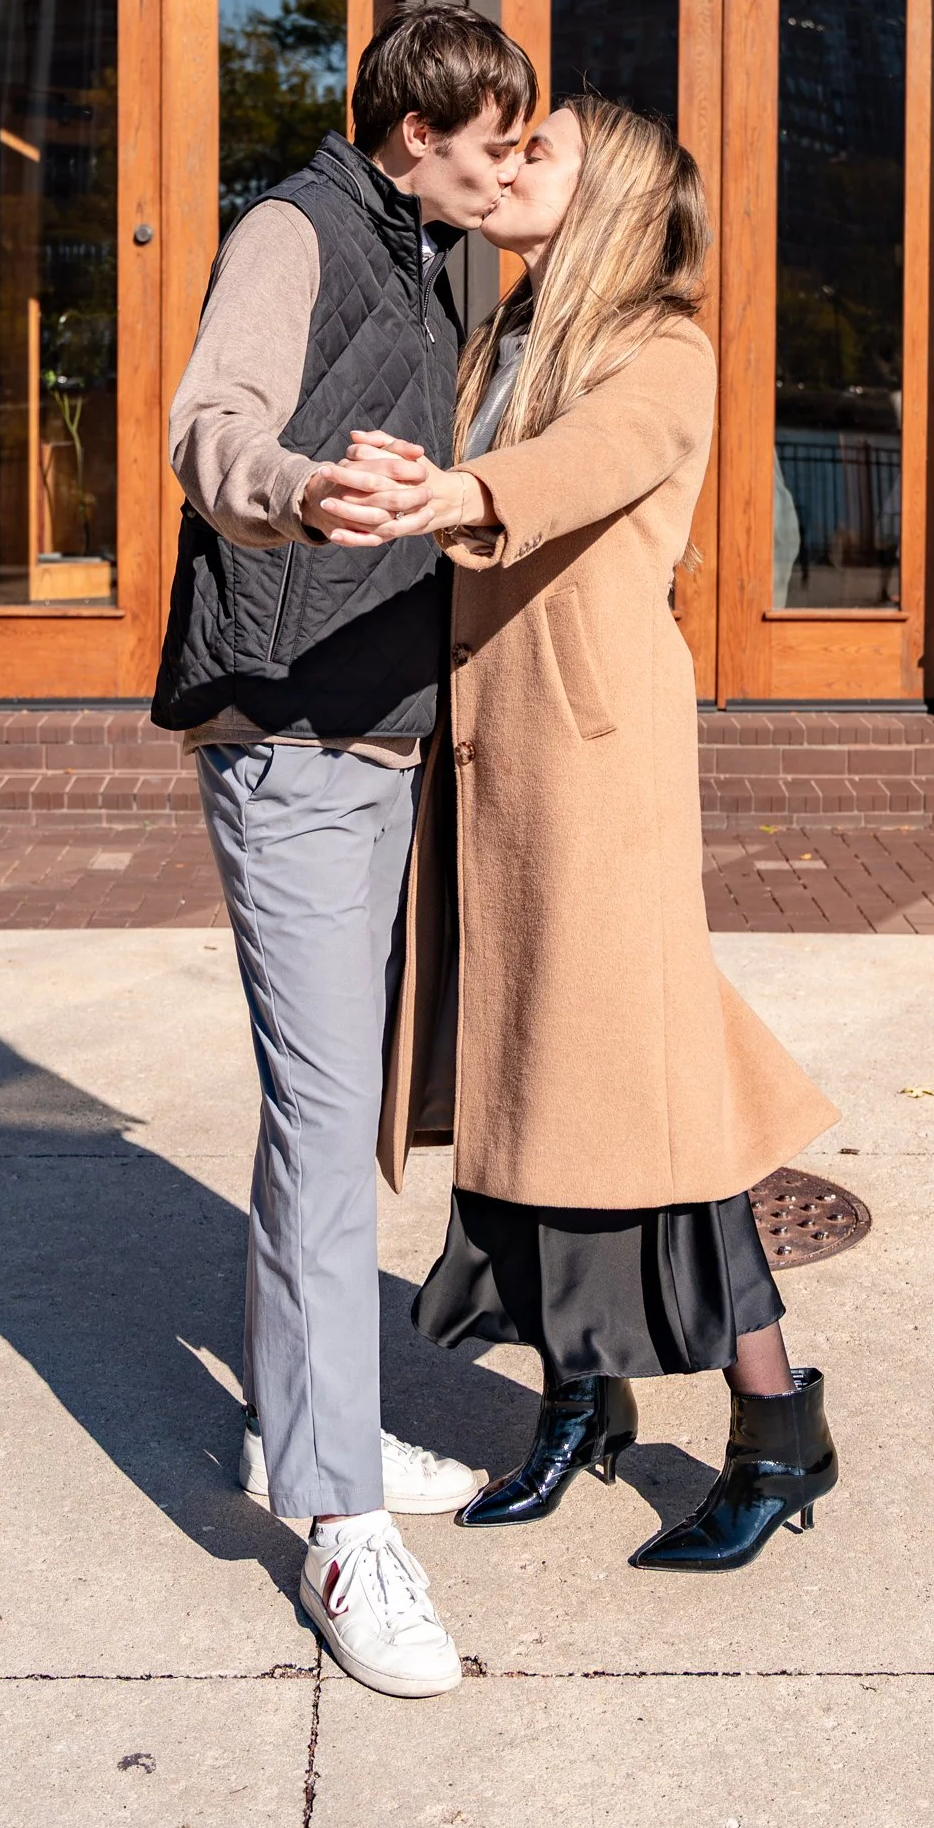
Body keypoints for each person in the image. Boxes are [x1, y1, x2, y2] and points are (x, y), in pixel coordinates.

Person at [347, 93, 843, 1572]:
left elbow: (589, 465)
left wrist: (459, 490)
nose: (509, 163)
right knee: (531, 1089)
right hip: (493, 763)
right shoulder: (505, 333)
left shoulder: (659, 348)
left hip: (595, 767)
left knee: (660, 1110)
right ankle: (581, 1400)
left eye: (540, 148)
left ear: (609, 190)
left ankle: (776, 1433)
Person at [153, 3, 535, 1702]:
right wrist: (301, 490)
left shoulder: (425, 256)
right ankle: (335, 1523)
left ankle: (316, 1431)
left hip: (376, 732)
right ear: (413, 136)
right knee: (322, 1124)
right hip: (294, 732)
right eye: (491, 145)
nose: (507, 172)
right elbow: (207, 427)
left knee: (322, 1112)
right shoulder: (295, 231)